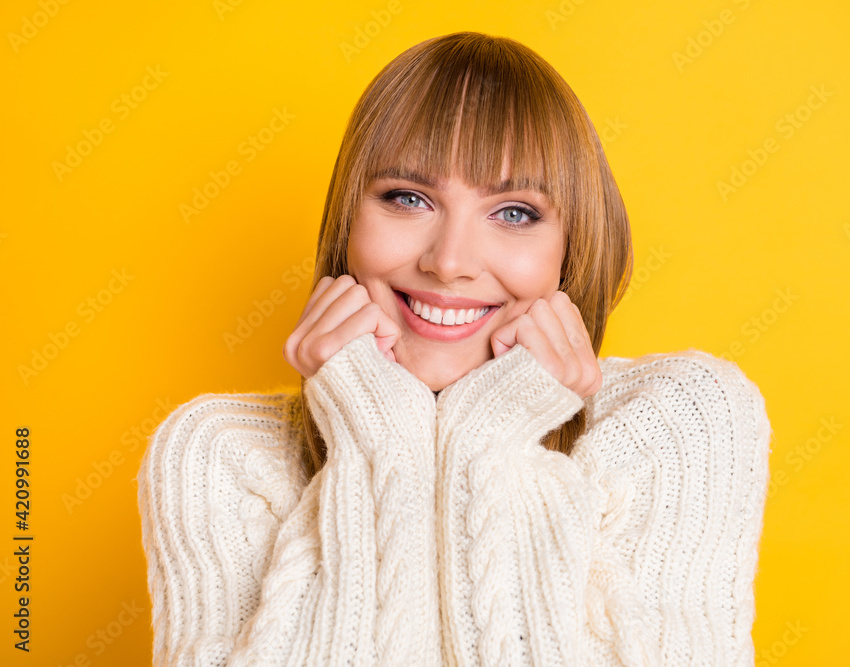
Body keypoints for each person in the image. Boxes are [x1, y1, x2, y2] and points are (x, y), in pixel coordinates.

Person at [136, 31, 771, 666]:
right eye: (407, 199)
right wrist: (379, 435)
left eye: (515, 213)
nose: (449, 262)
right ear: (348, 223)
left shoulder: (680, 424)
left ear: (569, 247)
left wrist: (490, 434)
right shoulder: (218, 456)